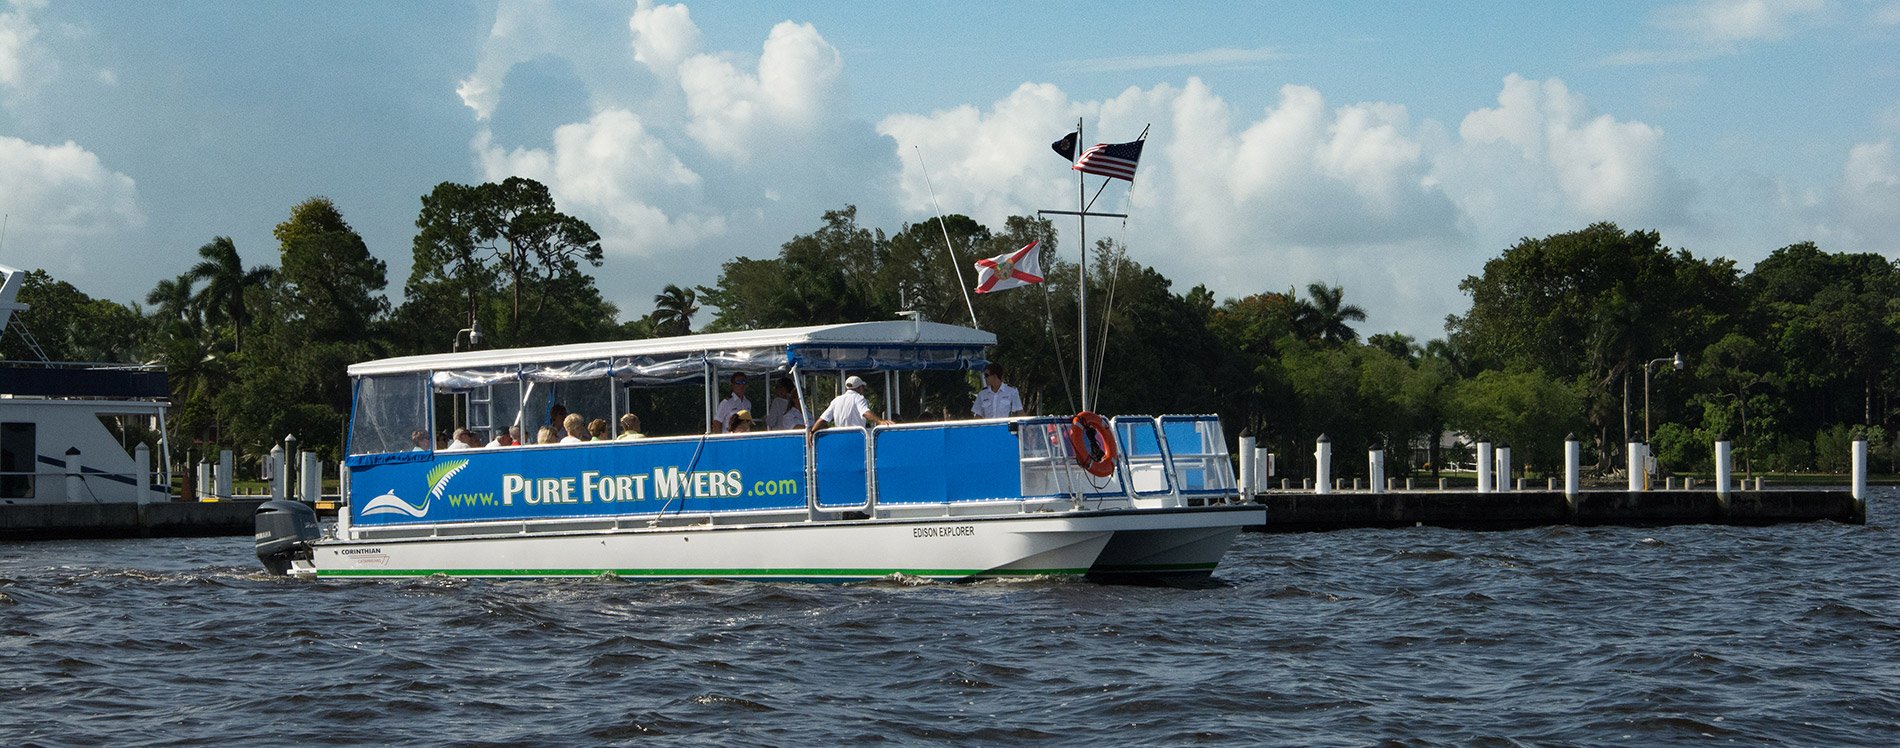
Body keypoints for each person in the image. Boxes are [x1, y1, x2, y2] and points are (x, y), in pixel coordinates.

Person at [807, 375, 891, 436]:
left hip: (840, 438)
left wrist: (812, 432)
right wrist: (880, 421)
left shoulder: (836, 400)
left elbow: (823, 419)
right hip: (857, 437)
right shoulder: (859, 398)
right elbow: (865, 412)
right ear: (859, 388)